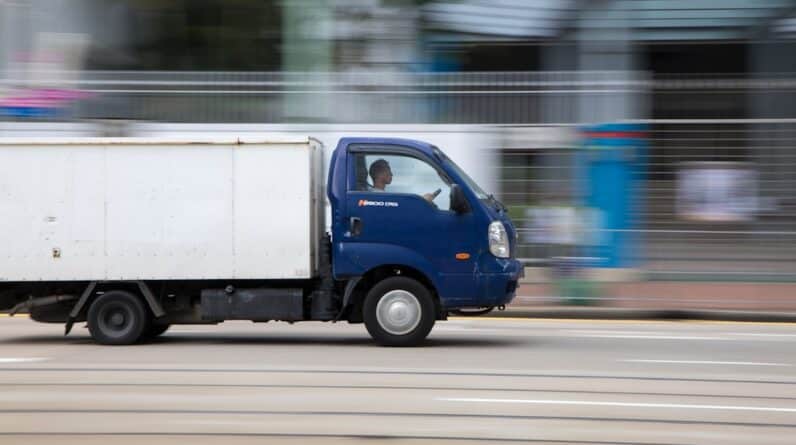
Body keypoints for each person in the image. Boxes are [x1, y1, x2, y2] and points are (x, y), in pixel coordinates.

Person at [368, 159, 439, 202]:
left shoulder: (375, 194)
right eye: (389, 171)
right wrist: (423, 201)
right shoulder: (378, 197)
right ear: (380, 175)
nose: (392, 174)